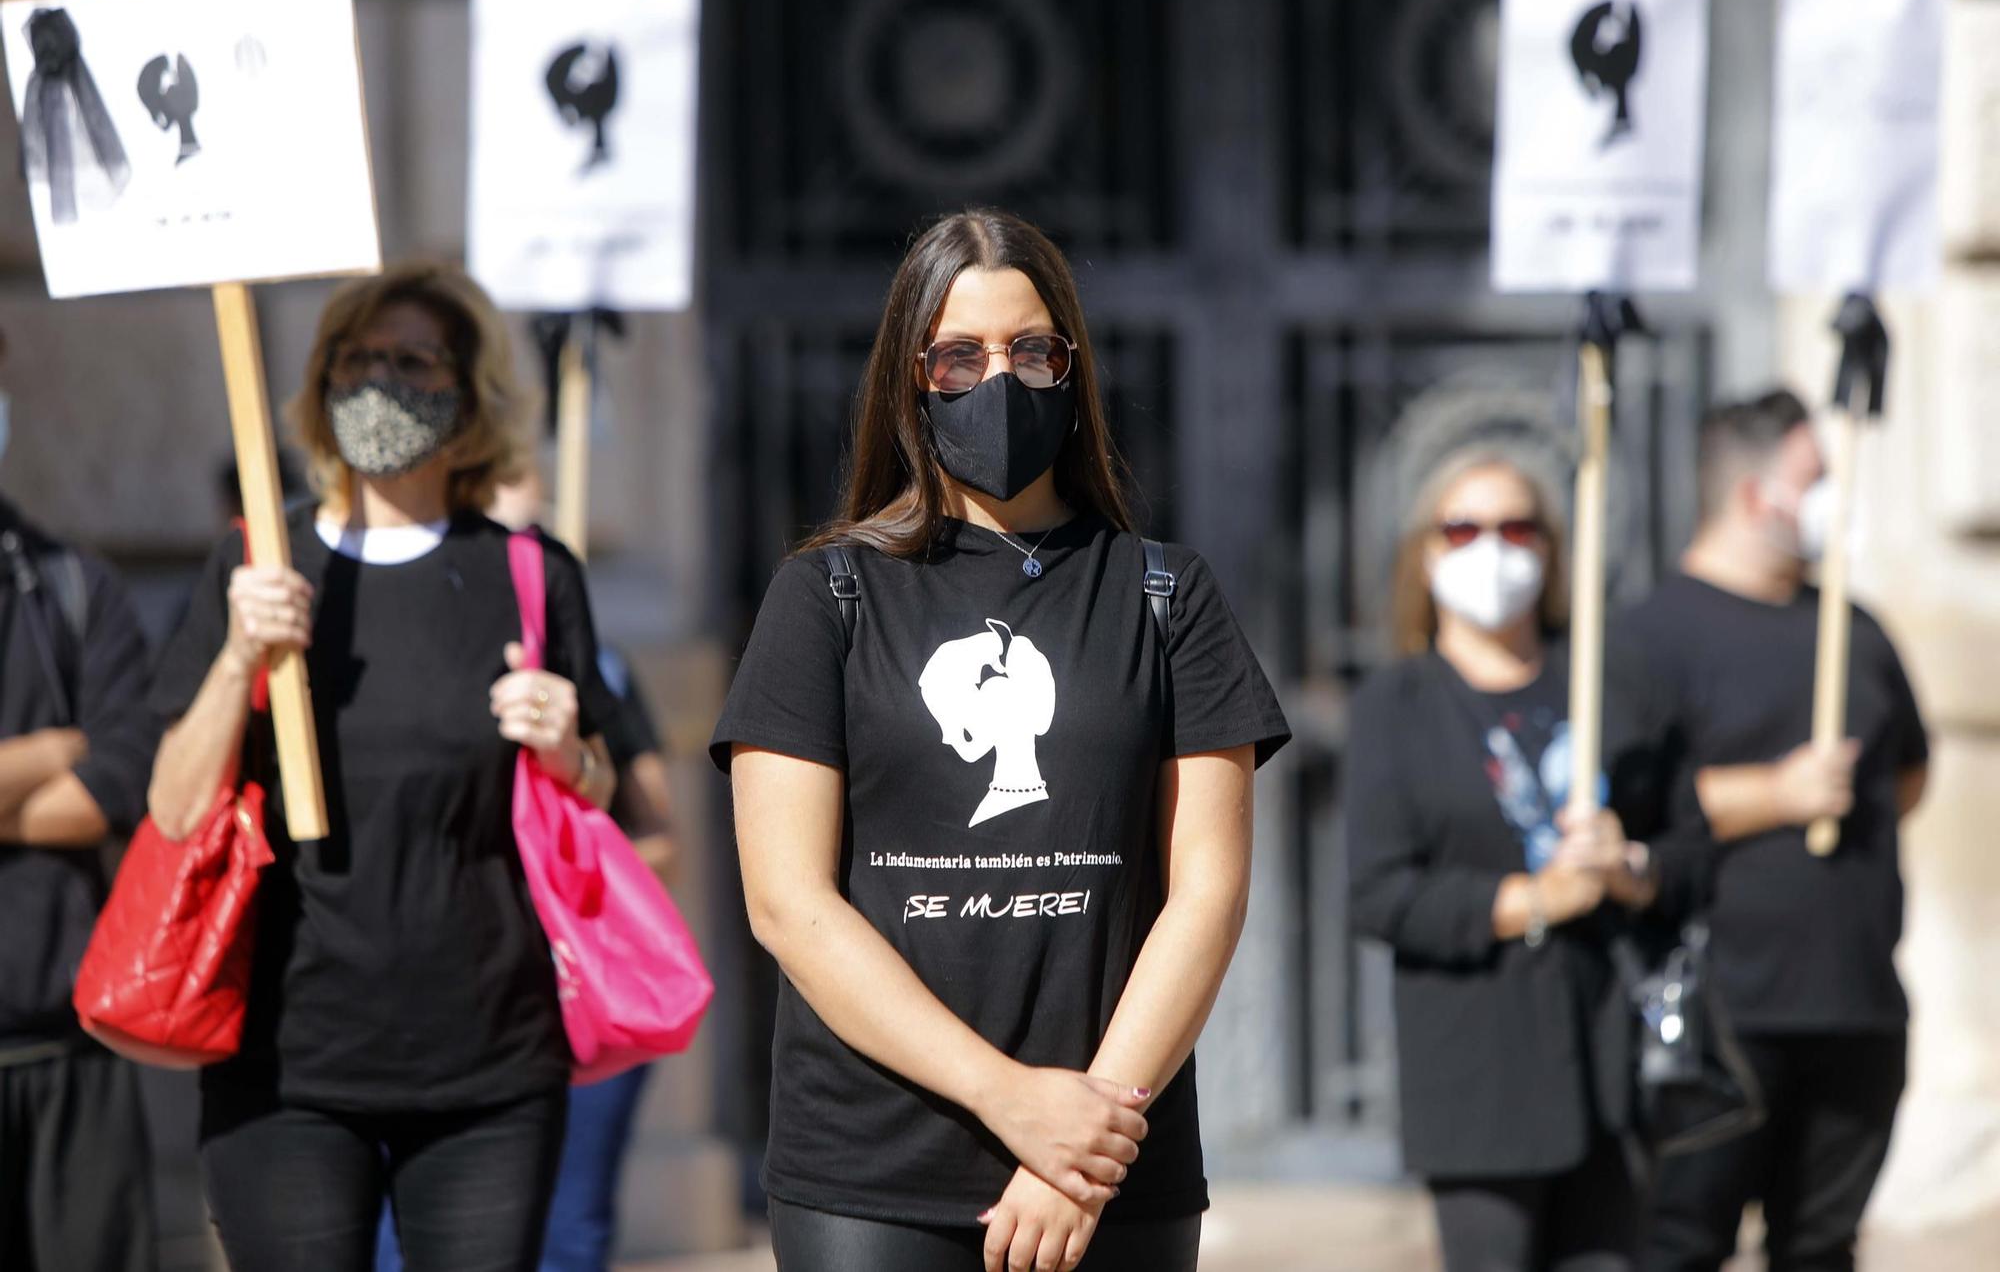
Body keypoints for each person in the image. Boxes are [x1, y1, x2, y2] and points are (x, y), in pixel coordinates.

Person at [712, 208, 1290, 1272]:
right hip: (873, 1173)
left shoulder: (1166, 594)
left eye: (1031, 350)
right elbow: (787, 905)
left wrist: (1086, 1137)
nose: (999, 379)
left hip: (1110, 1162)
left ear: (1070, 368)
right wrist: (1011, 1099)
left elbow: (1205, 894)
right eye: (958, 357)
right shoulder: (823, 597)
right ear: (908, 380)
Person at [147, 259, 623, 1271]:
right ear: (320, 385)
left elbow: (605, 790)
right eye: (358, 359)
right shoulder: (257, 564)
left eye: (412, 360)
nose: (380, 381)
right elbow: (174, 807)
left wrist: (566, 745)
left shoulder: (530, 573)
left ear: (466, 392)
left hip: (490, 1070)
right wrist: (239, 654)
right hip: (286, 1070)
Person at [1344, 448, 1703, 1272]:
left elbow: (1693, 852)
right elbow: (1378, 894)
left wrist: (1629, 866)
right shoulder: (1396, 706)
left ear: (1551, 548)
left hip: (1613, 1073)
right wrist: (1536, 898)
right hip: (1479, 1084)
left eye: (1517, 526)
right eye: (1464, 528)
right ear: (1426, 552)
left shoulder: (1615, 686)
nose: (1493, 549)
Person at [1631, 391, 1927, 1272]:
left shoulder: (1854, 626)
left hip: (1853, 1004)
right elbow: (1625, 816)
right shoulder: (1648, 638)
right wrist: (1774, 792)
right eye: (1816, 477)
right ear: (1757, 494)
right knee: (1679, 1243)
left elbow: (1908, 772)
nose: (1836, 495)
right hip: (1717, 1012)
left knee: (1821, 1246)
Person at [375, 466, 679, 1272]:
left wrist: (572, 872)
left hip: (567, 985)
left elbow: (654, 834)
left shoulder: (596, 667)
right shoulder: (390, 649)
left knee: (568, 1234)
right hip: (424, 998)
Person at [0, 349, 161, 1271]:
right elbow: (79, 766)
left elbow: (118, 785)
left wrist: (81, 768)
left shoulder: (71, 588)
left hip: (73, 1057)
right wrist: (49, 750)